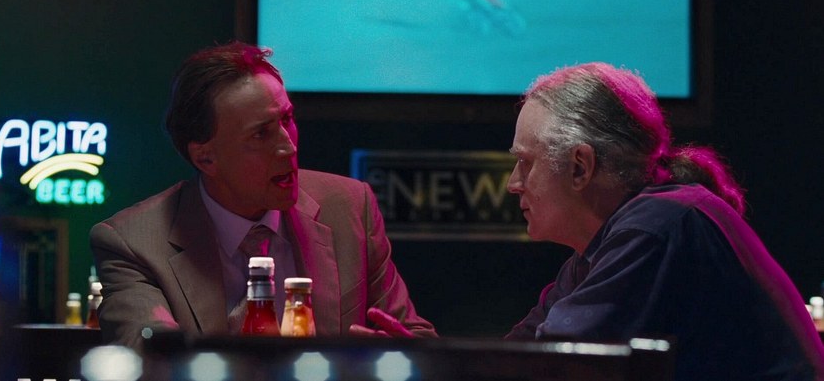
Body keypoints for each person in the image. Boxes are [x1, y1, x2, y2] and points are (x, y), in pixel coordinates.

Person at [89, 41, 436, 351]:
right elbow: (151, 361)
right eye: (261, 134)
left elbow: (419, 341)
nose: (288, 147)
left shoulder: (348, 208)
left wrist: (395, 356)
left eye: (288, 119)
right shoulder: (133, 244)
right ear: (206, 158)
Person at [502, 62, 824, 380]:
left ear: (580, 167)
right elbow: (511, 360)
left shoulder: (654, 230)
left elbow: (550, 370)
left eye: (525, 162)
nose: (513, 183)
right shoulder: (612, 244)